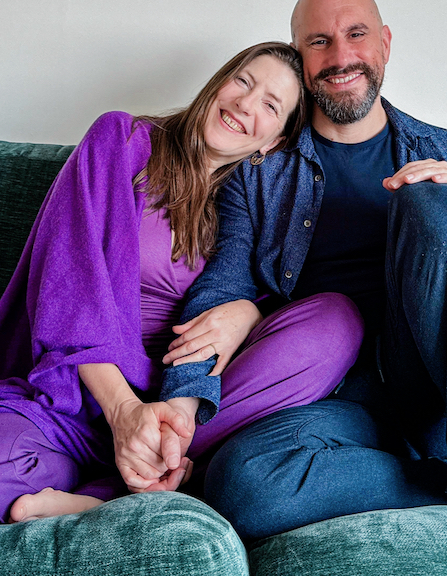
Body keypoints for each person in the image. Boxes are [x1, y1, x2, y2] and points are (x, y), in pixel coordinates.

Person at [155, 0, 447, 540]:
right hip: (334, 401)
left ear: (384, 43)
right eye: (318, 41)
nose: (340, 57)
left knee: (431, 197)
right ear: (299, 56)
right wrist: (181, 402)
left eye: (355, 34)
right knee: (242, 484)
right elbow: (219, 291)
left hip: (436, 388)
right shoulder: (260, 173)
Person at [0, 41, 360, 524]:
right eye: (242, 82)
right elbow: (69, 281)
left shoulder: (252, 208)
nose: (244, 105)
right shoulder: (123, 140)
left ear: (273, 140)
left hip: (180, 415)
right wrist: (125, 412)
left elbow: (273, 301)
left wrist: (248, 313)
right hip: (72, 400)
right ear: (219, 81)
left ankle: (136, 478)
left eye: (270, 106)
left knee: (335, 322)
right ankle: (131, 492)